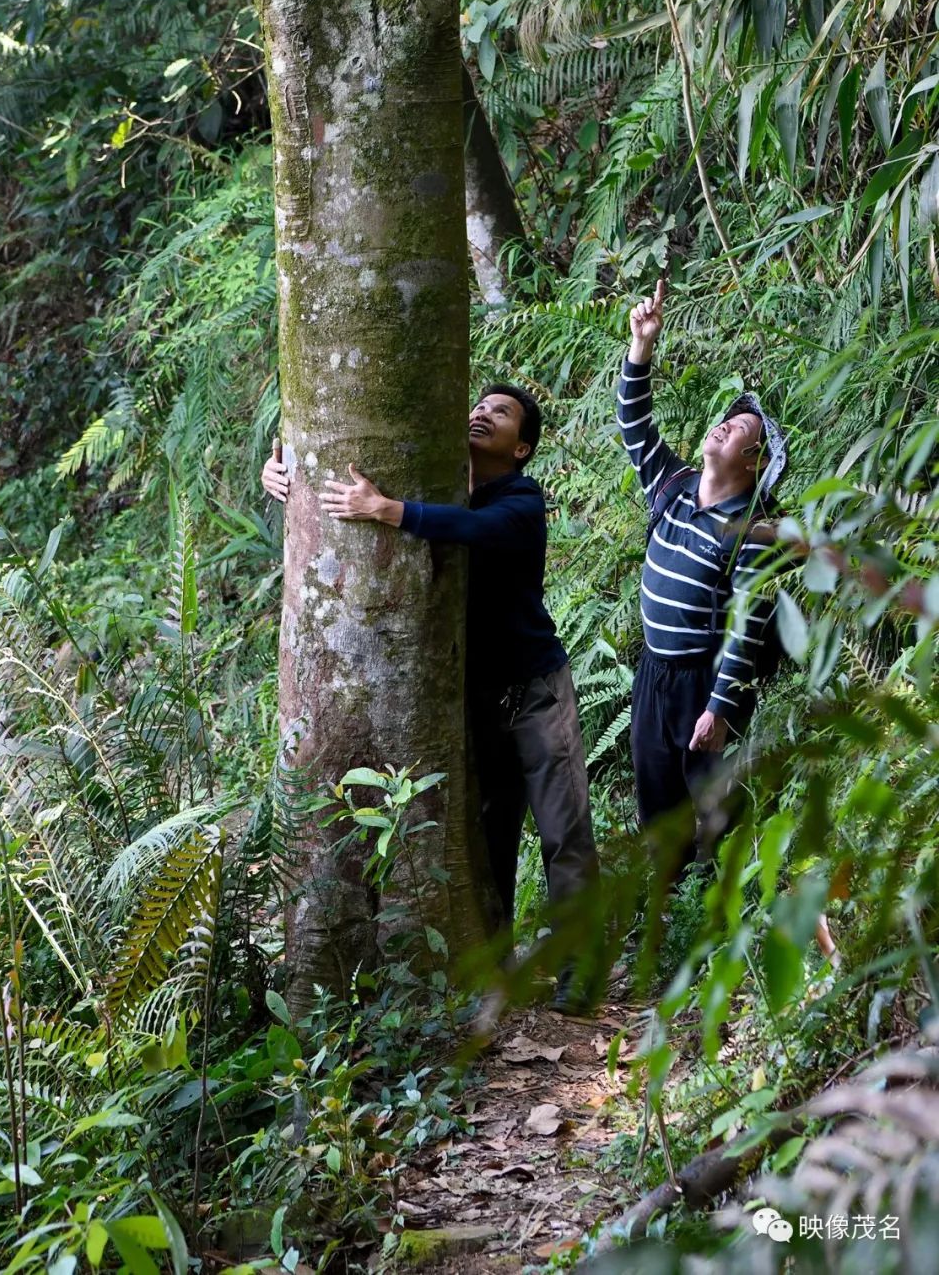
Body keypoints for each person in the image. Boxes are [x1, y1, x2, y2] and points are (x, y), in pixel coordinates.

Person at [261, 386, 599, 1005]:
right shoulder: (446, 485)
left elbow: (476, 529)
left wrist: (387, 509)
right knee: (487, 836)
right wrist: (284, 472)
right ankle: (497, 965)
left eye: (500, 413)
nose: (480, 412)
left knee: (562, 831)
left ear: (521, 447)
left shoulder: (521, 500)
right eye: (479, 404)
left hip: (535, 691)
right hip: (471, 697)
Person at [618, 279, 788, 868]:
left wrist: (718, 707)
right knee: (657, 801)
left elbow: (747, 625)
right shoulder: (673, 485)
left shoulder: (752, 527)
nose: (727, 424)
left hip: (703, 682)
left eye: (742, 428)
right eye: (728, 418)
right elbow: (634, 425)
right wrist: (642, 347)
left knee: (715, 807)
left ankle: (726, 920)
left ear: (755, 461)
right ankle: (664, 923)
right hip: (654, 675)